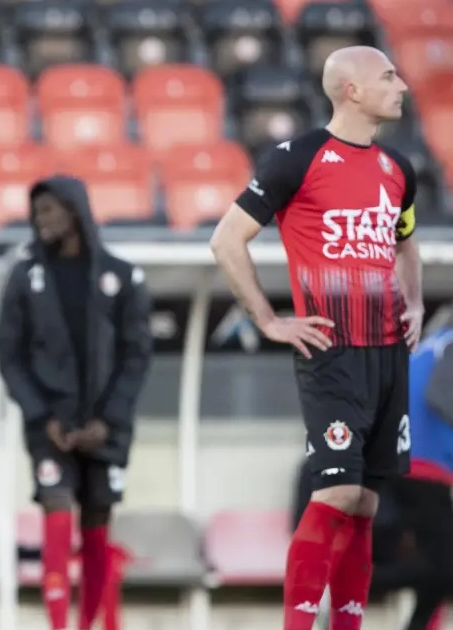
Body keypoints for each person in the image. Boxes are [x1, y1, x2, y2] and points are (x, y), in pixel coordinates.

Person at [209, 45, 421, 630]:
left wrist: (415, 302)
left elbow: (406, 244)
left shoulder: (397, 168)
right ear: (352, 90)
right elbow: (227, 240)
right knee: (336, 495)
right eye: (388, 76)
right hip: (332, 351)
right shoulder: (296, 159)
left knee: (367, 503)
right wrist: (268, 320)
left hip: (388, 354)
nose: (402, 85)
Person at [0, 176, 152, 630]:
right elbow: (9, 355)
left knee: (98, 526)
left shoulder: (122, 276)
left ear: (75, 210)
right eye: (36, 212)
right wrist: (42, 415)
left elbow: (137, 355)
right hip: (50, 428)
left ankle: (87, 624)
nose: (40, 220)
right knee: (57, 508)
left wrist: (109, 419)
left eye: (48, 210)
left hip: (107, 428)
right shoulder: (25, 276)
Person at [392, 327, 453, 630]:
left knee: (436, 561)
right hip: (424, 465)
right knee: (443, 566)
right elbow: (440, 396)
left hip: (401, 460)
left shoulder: (432, 344)